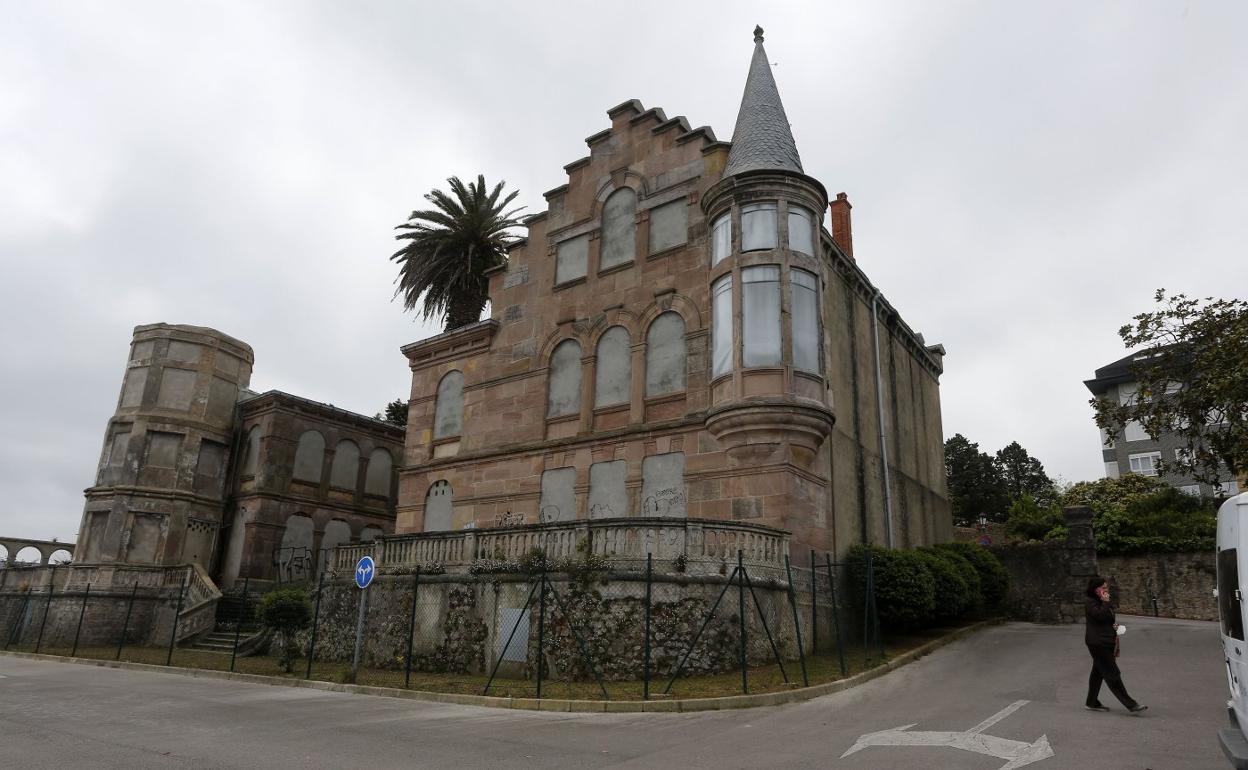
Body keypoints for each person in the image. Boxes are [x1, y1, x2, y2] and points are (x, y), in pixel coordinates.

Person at [1084, 576, 1147, 713]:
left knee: (1098, 672)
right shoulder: (1090, 602)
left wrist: (1116, 631)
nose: (1106, 590)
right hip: (1098, 643)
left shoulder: (1102, 601)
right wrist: (1106, 603)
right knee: (1112, 673)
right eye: (1103, 587)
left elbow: (1108, 619)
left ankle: (1091, 702)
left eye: (1107, 587)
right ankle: (1131, 704)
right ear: (1095, 589)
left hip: (1105, 641)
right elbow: (1099, 616)